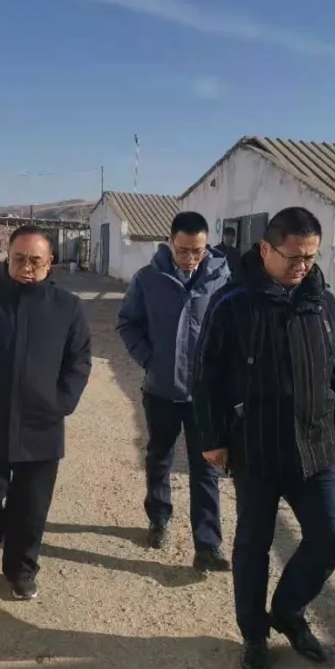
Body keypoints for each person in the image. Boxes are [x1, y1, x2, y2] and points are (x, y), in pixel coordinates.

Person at [191, 206, 335, 669]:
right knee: (253, 545)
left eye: (310, 257)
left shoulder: (322, 303)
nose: (302, 266)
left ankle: (287, 610)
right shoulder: (232, 303)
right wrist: (212, 437)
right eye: (293, 256)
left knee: (330, 535)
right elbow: (206, 375)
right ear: (265, 249)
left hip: (315, 444)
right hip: (256, 446)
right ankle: (254, 635)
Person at [0, 225, 92, 600]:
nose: (27, 267)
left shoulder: (67, 307)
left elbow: (78, 361)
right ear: (7, 258)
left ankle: (21, 569)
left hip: (41, 423)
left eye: (35, 261)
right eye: (19, 259)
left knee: (31, 507)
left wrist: (62, 402)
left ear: (50, 263)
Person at [116, 211, 232, 572]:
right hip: (161, 390)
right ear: (170, 243)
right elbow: (127, 323)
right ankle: (159, 517)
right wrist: (150, 360)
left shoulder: (223, 280)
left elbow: (236, 330)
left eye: (197, 251)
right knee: (159, 457)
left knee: (206, 466)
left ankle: (207, 545)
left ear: (206, 246)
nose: (190, 258)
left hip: (205, 397)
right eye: (183, 250)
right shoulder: (148, 279)